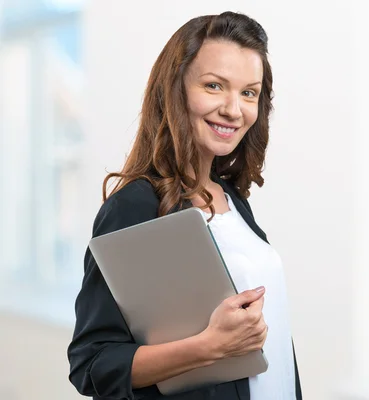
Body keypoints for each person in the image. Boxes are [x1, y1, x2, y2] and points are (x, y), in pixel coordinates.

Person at [67, 12, 302, 400]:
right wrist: (209, 348)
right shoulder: (137, 207)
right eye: (214, 86)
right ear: (175, 90)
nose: (233, 108)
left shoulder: (233, 199)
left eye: (249, 93)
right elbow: (92, 365)